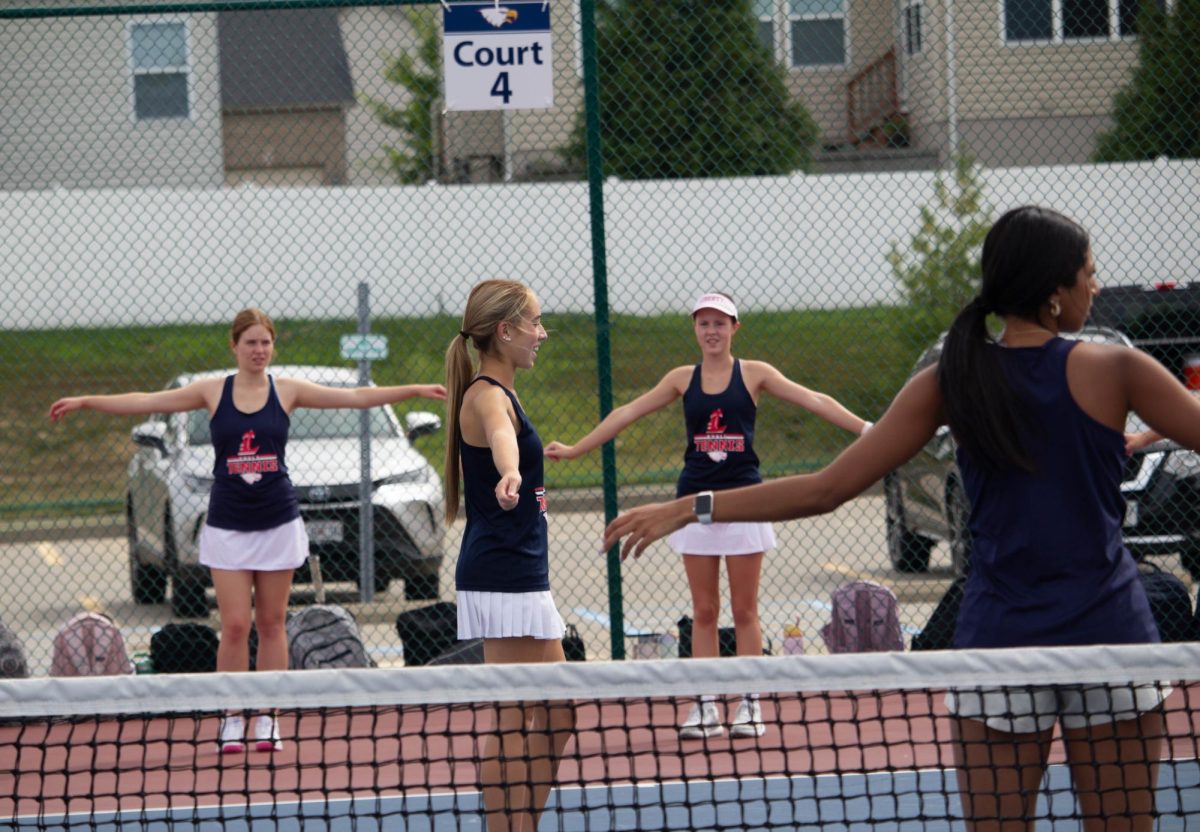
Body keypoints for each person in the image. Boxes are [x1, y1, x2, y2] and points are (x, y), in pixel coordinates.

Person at [602, 207, 1200, 831]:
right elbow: (826, 490)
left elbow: (823, 490)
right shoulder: (1116, 369)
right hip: (1107, 636)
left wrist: (690, 507)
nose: (1095, 287)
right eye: (1089, 274)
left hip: (1002, 639)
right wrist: (689, 507)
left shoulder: (952, 377)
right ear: (1056, 294)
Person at [48, 307, 446, 754]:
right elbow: (145, 401)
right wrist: (85, 401)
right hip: (228, 526)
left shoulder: (288, 391)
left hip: (277, 523)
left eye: (266, 342)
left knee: (272, 624)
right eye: (251, 342)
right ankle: (232, 717)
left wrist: (413, 389)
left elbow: (354, 398)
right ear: (234, 346)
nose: (259, 350)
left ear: (273, 346)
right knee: (236, 626)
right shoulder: (212, 392)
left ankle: (267, 718)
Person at [546, 291, 870, 739]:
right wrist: (578, 447)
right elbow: (628, 411)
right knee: (703, 610)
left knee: (744, 611)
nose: (712, 331)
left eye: (720, 323)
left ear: (735, 328)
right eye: (704, 323)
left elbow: (814, 399)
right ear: (695, 330)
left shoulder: (755, 374)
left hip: (746, 504)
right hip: (691, 508)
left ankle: (750, 705)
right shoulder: (682, 379)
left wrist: (871, 432)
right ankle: (705, 706)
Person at [445, 279, 573, 832]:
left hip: (517, 570)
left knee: (555, 712)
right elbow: (501, 438)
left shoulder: (502, 390)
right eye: (535, 324)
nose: (541, 334)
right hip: (504, 573)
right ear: (505, 331)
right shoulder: (488, 396)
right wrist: (513, 470)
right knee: (518, 714)